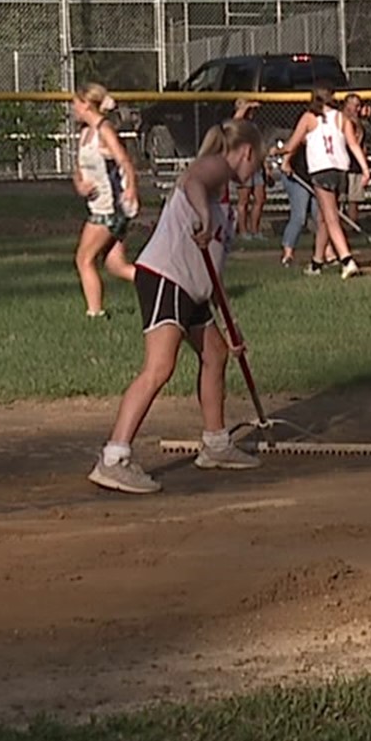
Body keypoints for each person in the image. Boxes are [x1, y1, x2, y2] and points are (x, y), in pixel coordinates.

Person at [87, 117, 267, 494]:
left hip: (192, 288)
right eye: (256, 163)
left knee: (215, 354)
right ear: (246, 152)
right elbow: (194, 181)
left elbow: (214, 269)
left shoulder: (225, 200)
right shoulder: (216, 168)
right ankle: (113, 457)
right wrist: (202, 215)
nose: (254, 171)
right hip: (167, 278)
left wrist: (230, 325)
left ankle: (216, 444)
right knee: (159, 368)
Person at [276, 83, 366, 278]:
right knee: (323, 218)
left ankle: (346, 259)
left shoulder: (309, 118)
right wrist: (365, 169)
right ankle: (317, 262)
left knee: (330, 217)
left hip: (321, 170)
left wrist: (277, 151)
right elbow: (353, 145)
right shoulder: (341, 118)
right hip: (340, 171)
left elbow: (292, 143)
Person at [71, 82, 139, 318]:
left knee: (83, 259)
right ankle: (163, 285)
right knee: (115, 266)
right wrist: (80, 185)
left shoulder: (104, 130)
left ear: (87, 104)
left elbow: (125, 161)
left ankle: (95, 313)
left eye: (76, 103)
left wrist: (130, 188)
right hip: (96, 203)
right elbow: (78, 169)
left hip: (109, 208)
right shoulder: (85, 133)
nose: (73, 108)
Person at [231, 99, 267, 240]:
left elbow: (258, 146)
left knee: (260, 198)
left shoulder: (253, 126)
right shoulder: (237, 126)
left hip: (256, 166)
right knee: (243, 201)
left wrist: (265, 166)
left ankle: (255, 230)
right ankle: (244, 231)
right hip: (243, 167)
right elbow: (236, 121)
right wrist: (245, 107)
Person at [342, 92, 368, 232]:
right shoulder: (341, 121)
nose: (358, 109)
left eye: (359, 106)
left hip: (356, 166)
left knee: (354, 199)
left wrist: (365, 165)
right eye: (355, 105)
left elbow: (362, 146)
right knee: (340, 198)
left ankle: (351, 227)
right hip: (343, 164)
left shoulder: (359, 123)